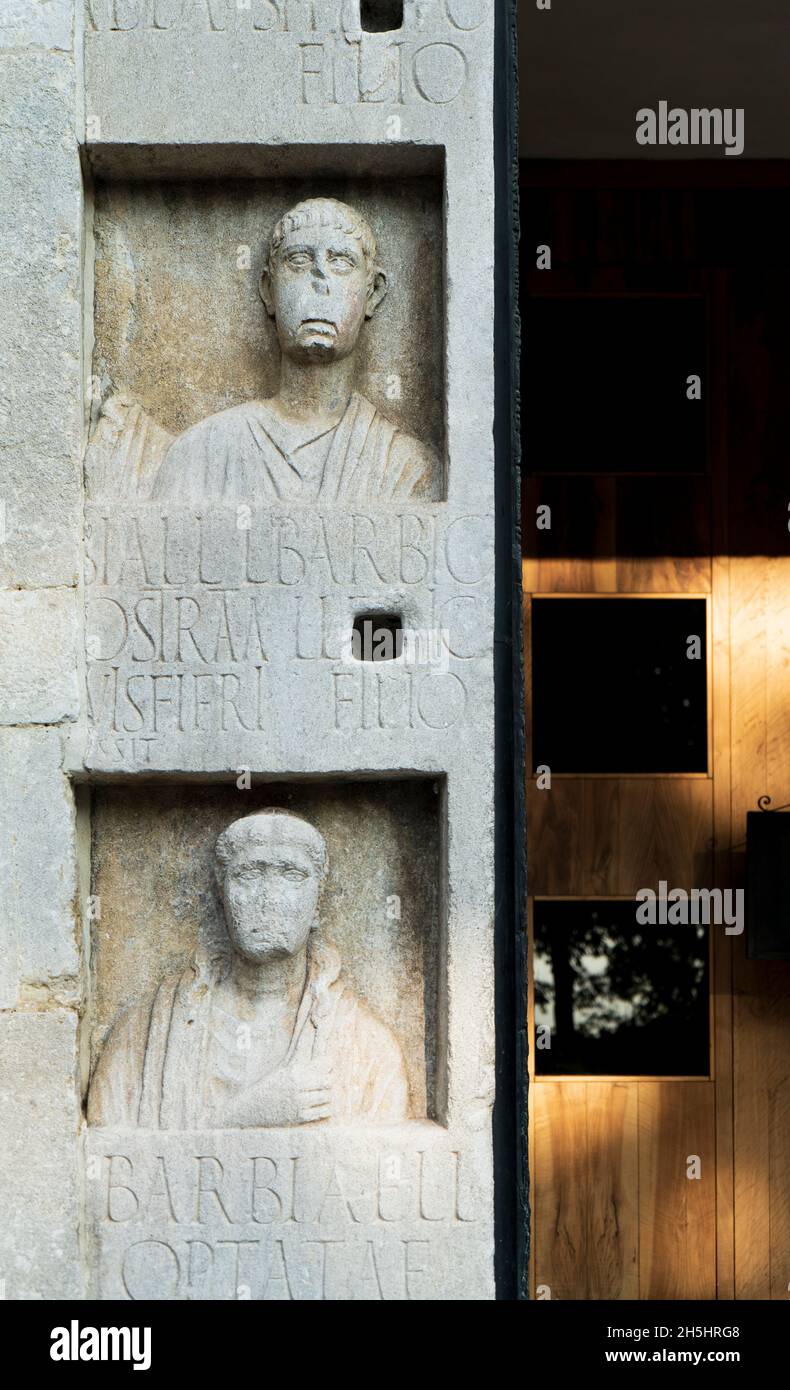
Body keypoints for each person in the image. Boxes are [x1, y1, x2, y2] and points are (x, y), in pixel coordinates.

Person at [88, 810, 410, 1129]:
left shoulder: (368, 1050)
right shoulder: (143, 1039)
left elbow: (379, 1172)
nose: (269, 898)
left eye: (292, 874)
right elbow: (115, 1162)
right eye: (249, 874)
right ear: (221, 896)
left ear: (318, 903)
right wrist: (245, 1115)